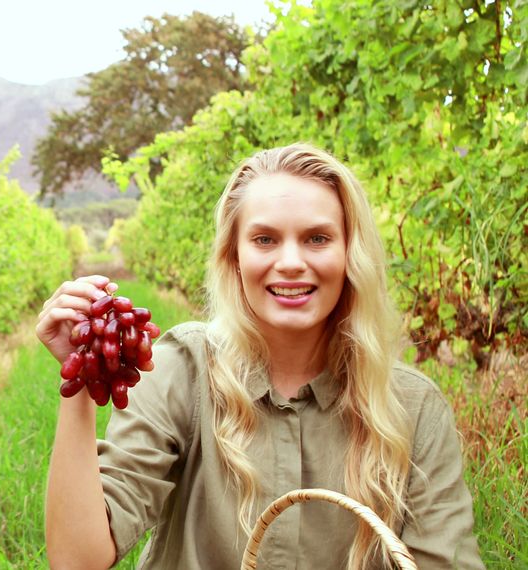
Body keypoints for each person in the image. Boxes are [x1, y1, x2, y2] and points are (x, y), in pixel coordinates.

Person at [36, 144, 484, 569]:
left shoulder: (413, 408)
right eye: (265, 239)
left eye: (317, 238)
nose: (290, 261)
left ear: (351, 253)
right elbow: (79, 559)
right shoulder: (185, 370)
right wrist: (79, 380)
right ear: (234, 256)